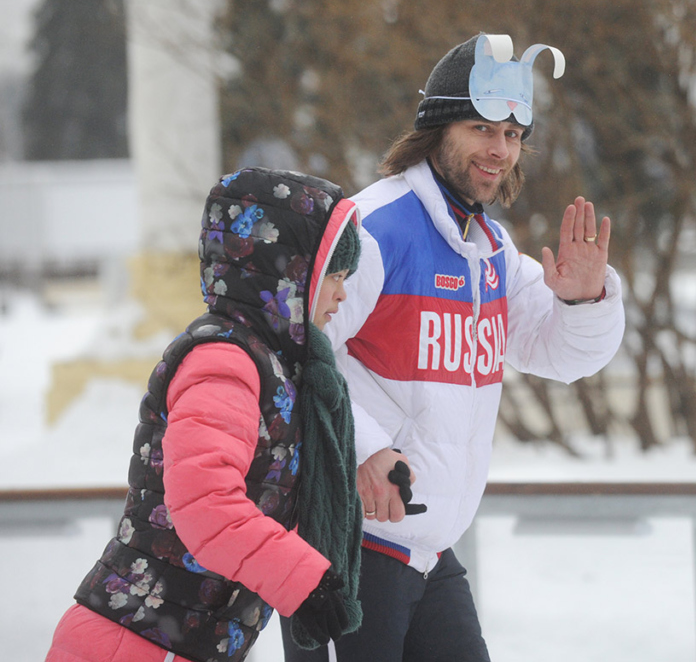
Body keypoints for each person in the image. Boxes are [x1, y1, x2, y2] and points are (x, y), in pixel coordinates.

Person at [282, 33, 626, 662]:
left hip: (426, 551)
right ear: (437, 129)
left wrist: (582, 301)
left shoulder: (490, 250)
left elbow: (560, 355)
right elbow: (299, 353)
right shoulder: (373, 225)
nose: (500, 150)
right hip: (349, 547)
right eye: (481, 128)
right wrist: (362, 449)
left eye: (514, 135)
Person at [46, 167, 366, 662]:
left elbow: (269, 496)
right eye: (334, 278)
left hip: (182, 643)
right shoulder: (224, 360)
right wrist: (307, 583)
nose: (342, 296)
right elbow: (206, 505)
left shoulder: (278, 367)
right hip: (133, 643)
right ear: (290, 277)